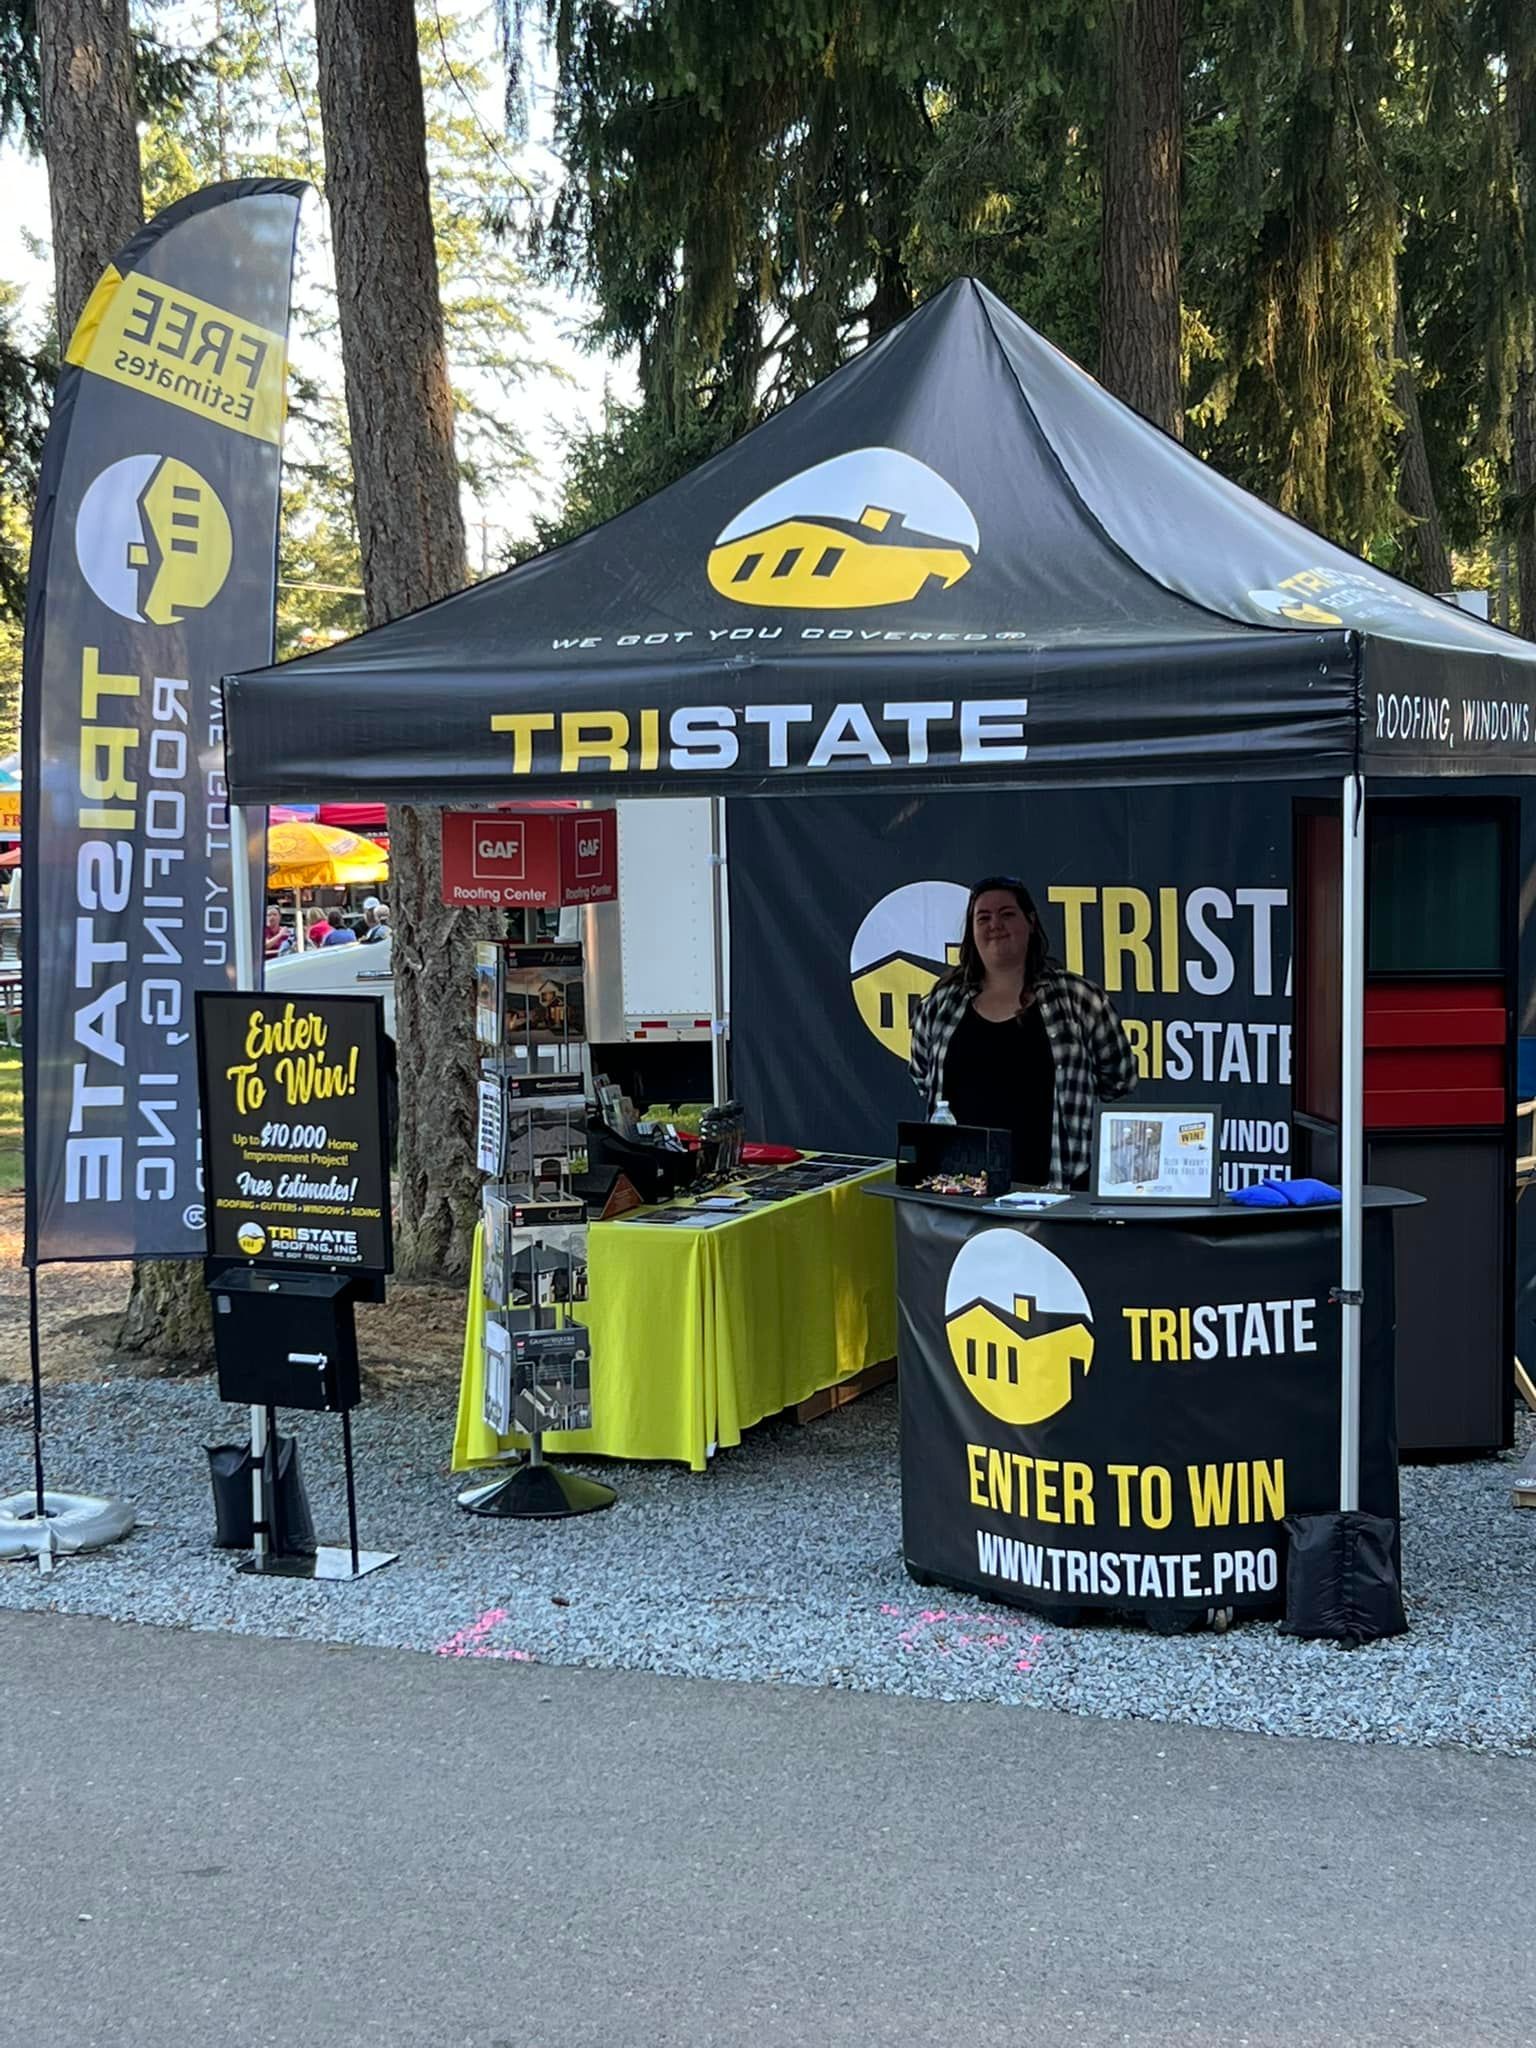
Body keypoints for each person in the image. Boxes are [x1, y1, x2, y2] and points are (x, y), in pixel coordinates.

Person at [909, 875, 1135, 1188]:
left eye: (1007, 914)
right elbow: (923, 1077)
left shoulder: (1080, 998)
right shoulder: (940, 1004)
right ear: (971, 931)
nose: (994, 925)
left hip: (1058, 1189)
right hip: (960, 1193)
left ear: (1030, 922)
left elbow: (1119, 1078)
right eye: (983, 917)